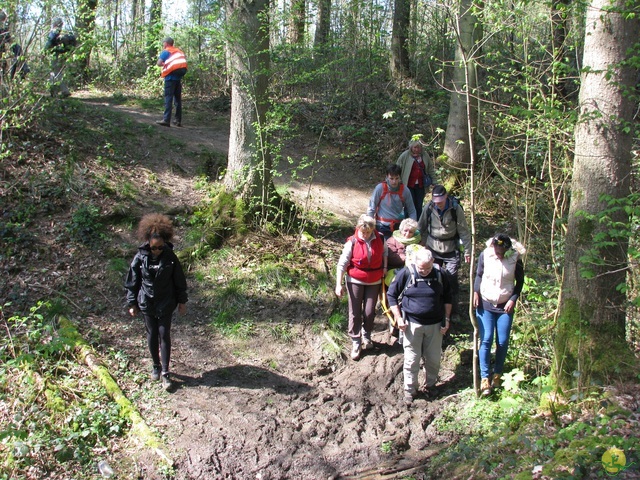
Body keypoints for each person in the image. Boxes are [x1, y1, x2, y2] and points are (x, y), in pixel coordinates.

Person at [125, 213, 188, 391]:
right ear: (148, 243)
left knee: (164, 334)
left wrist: (182, 301)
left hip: (166, 301)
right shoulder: (140, 257)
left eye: (160, 247)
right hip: (146, 302)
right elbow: (132, 282)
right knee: (152, 334)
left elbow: (179, 281)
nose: (157, 251)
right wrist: (132, 303)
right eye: (154, 248)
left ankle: (166, 372)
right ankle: (155, 366)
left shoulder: (170, 257)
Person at [387, 247, 452, 405]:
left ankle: (431, 385)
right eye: (421, 268)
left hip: (435, 324)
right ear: (415, 263)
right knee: (411, 359)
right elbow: (391, 295)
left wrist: (447, 319)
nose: (424, 271)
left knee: (434, 359)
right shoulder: (406, 273)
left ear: (432, 263)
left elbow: (448, 298)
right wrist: (398, 318)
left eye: (428, 268)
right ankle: (410, 389)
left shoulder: (440, 274)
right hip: (411, 324)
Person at [473, 234, 525, 396]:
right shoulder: (485, 255)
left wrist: (513, 299)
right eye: (496, 249)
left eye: (502, 250)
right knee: (486, 338)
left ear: (508, 249)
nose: (498, 252)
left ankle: (497, 373)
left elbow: (520, 282)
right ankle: (484, 377)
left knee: (502, 341)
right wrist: (476, 292)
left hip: (505, 304)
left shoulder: (515, 259)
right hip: (486, 303)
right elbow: (479, 274)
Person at [335, 214, 388, 361]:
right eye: (362, 232)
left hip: (374, 280)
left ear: (373, 230)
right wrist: (338, 285)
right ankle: (356, 341)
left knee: (370, 312)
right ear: (358, 228)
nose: (365, 235)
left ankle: (367, 335)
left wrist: (384, 266)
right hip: (355, 280)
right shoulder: (352, 242)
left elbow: (385, 252)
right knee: (355, 312)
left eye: (368, 232)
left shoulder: (380, 238)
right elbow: (342, 264)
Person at [417, 185, 471, 318]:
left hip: (451, 249)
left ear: (446, 196)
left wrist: (468, 251)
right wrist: (418, 245)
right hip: (433, 249)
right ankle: (436, 308)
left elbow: (464, 231)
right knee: (433, 278)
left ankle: (453, 312)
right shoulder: (429, 208)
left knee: (451, 279)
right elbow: (420, 227)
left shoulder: (455, 208)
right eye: (436, 201)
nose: (439, 204)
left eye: (441, 201)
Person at [367, 164, 417, 240]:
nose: (394, 181)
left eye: (397, 178)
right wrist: (369, 226)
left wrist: (412, 226)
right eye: (391, 178)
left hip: (398, 226)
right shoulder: (380, 188)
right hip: (381, 225)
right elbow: (371, 208)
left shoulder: (405, 191)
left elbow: (412, 210)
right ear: (387, 177)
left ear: (400, 177)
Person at [396, 140, 436, 220]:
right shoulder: (405, 155)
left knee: (419, 205)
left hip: (421, 185)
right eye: (415, 147)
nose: (417, 149)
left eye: (419, 147)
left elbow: (430, 169)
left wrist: (434, 181)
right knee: (409, 205)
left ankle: (418, 224)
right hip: (408, 185)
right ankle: (408, 223)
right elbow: (397, 169)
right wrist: (397, 181)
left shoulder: (425, 155)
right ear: (411, 147)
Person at [156, 37, 187, 127]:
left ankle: (166, 120)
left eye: (163, 43)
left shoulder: (166, 51)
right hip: (178, 78)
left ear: (166, 43)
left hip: (170, 79)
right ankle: (178, 121)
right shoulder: (178, 51)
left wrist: (164, 64)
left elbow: (158, 63)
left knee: (168, 98)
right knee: (178, 100)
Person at [44, 17, 71, 97]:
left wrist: (44, 51)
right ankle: (55, 91)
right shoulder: (64, 32)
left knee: (55, 72)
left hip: (55, 55)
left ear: (54, 24)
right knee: (57, 72)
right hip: (63, 54)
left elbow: (49, 41)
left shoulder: (54, 31)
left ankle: (61, 91)